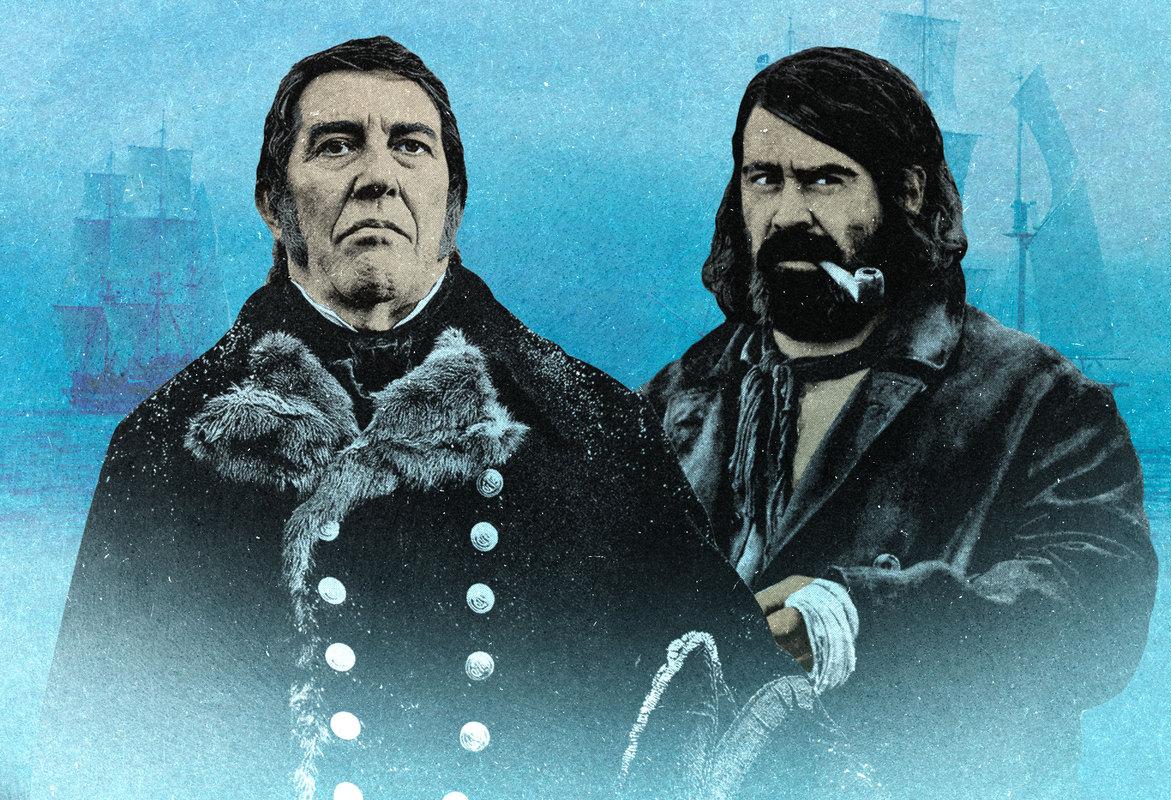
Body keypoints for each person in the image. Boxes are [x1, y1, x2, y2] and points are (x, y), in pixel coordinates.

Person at [31, 36, 793, 800]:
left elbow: (754, 729)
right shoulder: (164, 447)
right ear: (274, 204)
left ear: (452, 203)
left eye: (410, 146)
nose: (378, 177)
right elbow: (88, 760)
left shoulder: (595, 429)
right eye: (336, 146)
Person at [642, 47, 1158, 798]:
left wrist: (861, 616)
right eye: (764, 179)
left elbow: (1099, 610)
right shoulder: (673, 400)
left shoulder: (1039, 401)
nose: (788, 214)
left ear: (907, 193)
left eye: (825, 180)